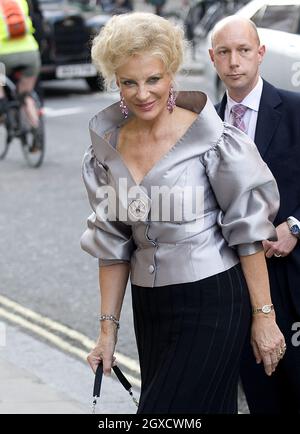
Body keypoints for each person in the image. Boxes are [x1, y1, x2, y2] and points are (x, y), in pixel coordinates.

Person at [80, 12, 285, 414]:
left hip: (212, 299)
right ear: (114, 81)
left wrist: (264, 317)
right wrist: (107, 332)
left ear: (172, 72)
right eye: (128, 82)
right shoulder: (105, 148)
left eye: (153, 79)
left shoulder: (212, 139)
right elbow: (112, 243)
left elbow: (247, 233)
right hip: (150, 308)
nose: (142, 94)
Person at [209, 15, 300, 414]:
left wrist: (295, 226)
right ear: (212, 59)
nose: (235, 62)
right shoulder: (205, 125)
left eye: (244, 51)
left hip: (293, 276)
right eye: (225, 53)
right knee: (261, 399)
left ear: (260, 53)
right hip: (239, 286)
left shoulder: (296, 110)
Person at [0, 0, 41, 127]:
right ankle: (36, 134)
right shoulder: (20, 1)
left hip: (3, 55)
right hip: (30, 52)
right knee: (26, 94)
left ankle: (2, 106)